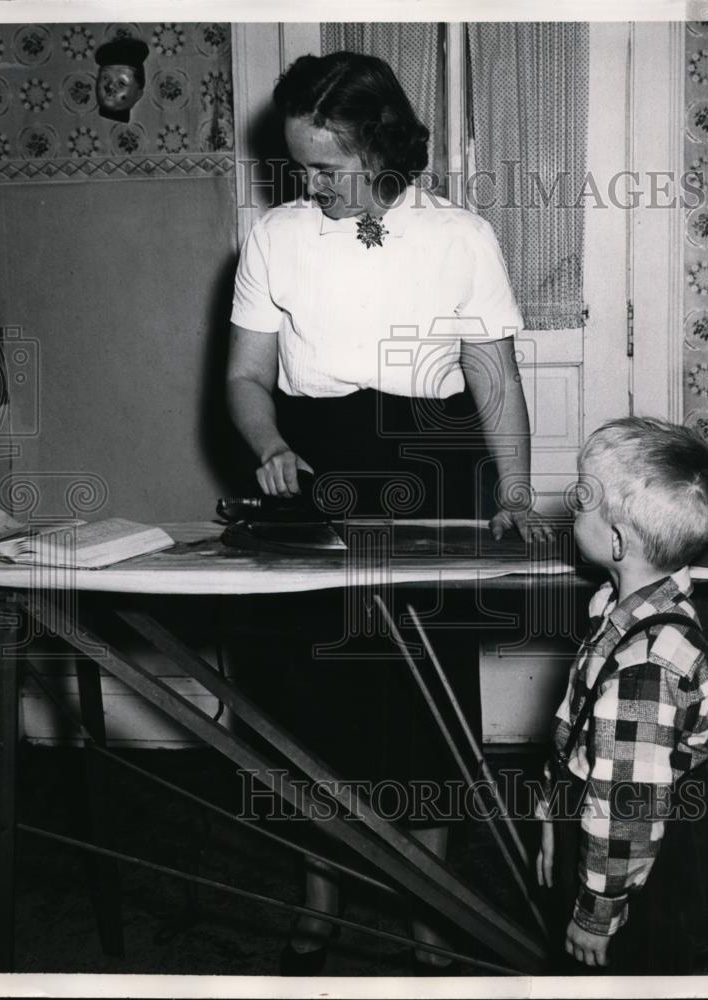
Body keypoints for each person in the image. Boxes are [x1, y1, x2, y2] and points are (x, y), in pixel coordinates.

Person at [226, 51, 551, 975]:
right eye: (298, 167)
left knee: (424, 708)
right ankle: (319, 903)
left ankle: (430, 910)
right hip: (313, 466)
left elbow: (495, 378)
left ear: (382, 146)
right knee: (306, 697)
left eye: (327, 167)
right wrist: (268, 446)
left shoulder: (460, 237)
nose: (309, 184)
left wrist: (518, 494)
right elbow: (248, 377)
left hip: (430, 463)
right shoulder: (276, 237)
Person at [535, 417, 708, 974]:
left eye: (581, 498)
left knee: (629, 974)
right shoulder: (625, 612)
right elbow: (579, 737)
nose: (570, 505)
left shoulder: (644, 667)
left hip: (639, 867)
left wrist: (596, 912)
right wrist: (553, 813)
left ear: (616, 539)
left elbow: (626, 807)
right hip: (604, 838)